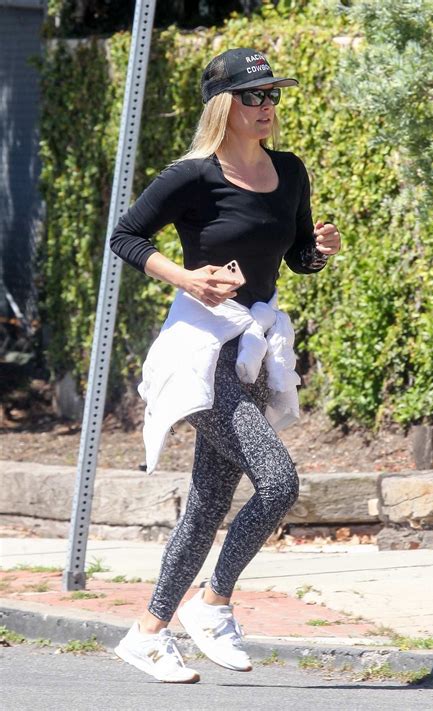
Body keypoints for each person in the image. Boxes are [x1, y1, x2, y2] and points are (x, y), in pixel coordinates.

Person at [110, 47, 341, 684]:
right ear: (224, 105)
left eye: (271, 94)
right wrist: (186, 277)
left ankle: (149, 632)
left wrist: (319, 251)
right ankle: (213, 605)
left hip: (250, 351)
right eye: (252, 96)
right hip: (199, 349)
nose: (266, 106)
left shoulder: (289, 171)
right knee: (278, 480)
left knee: (209, 504)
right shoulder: (192, 176)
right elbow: (125, 237)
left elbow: (294, 257)